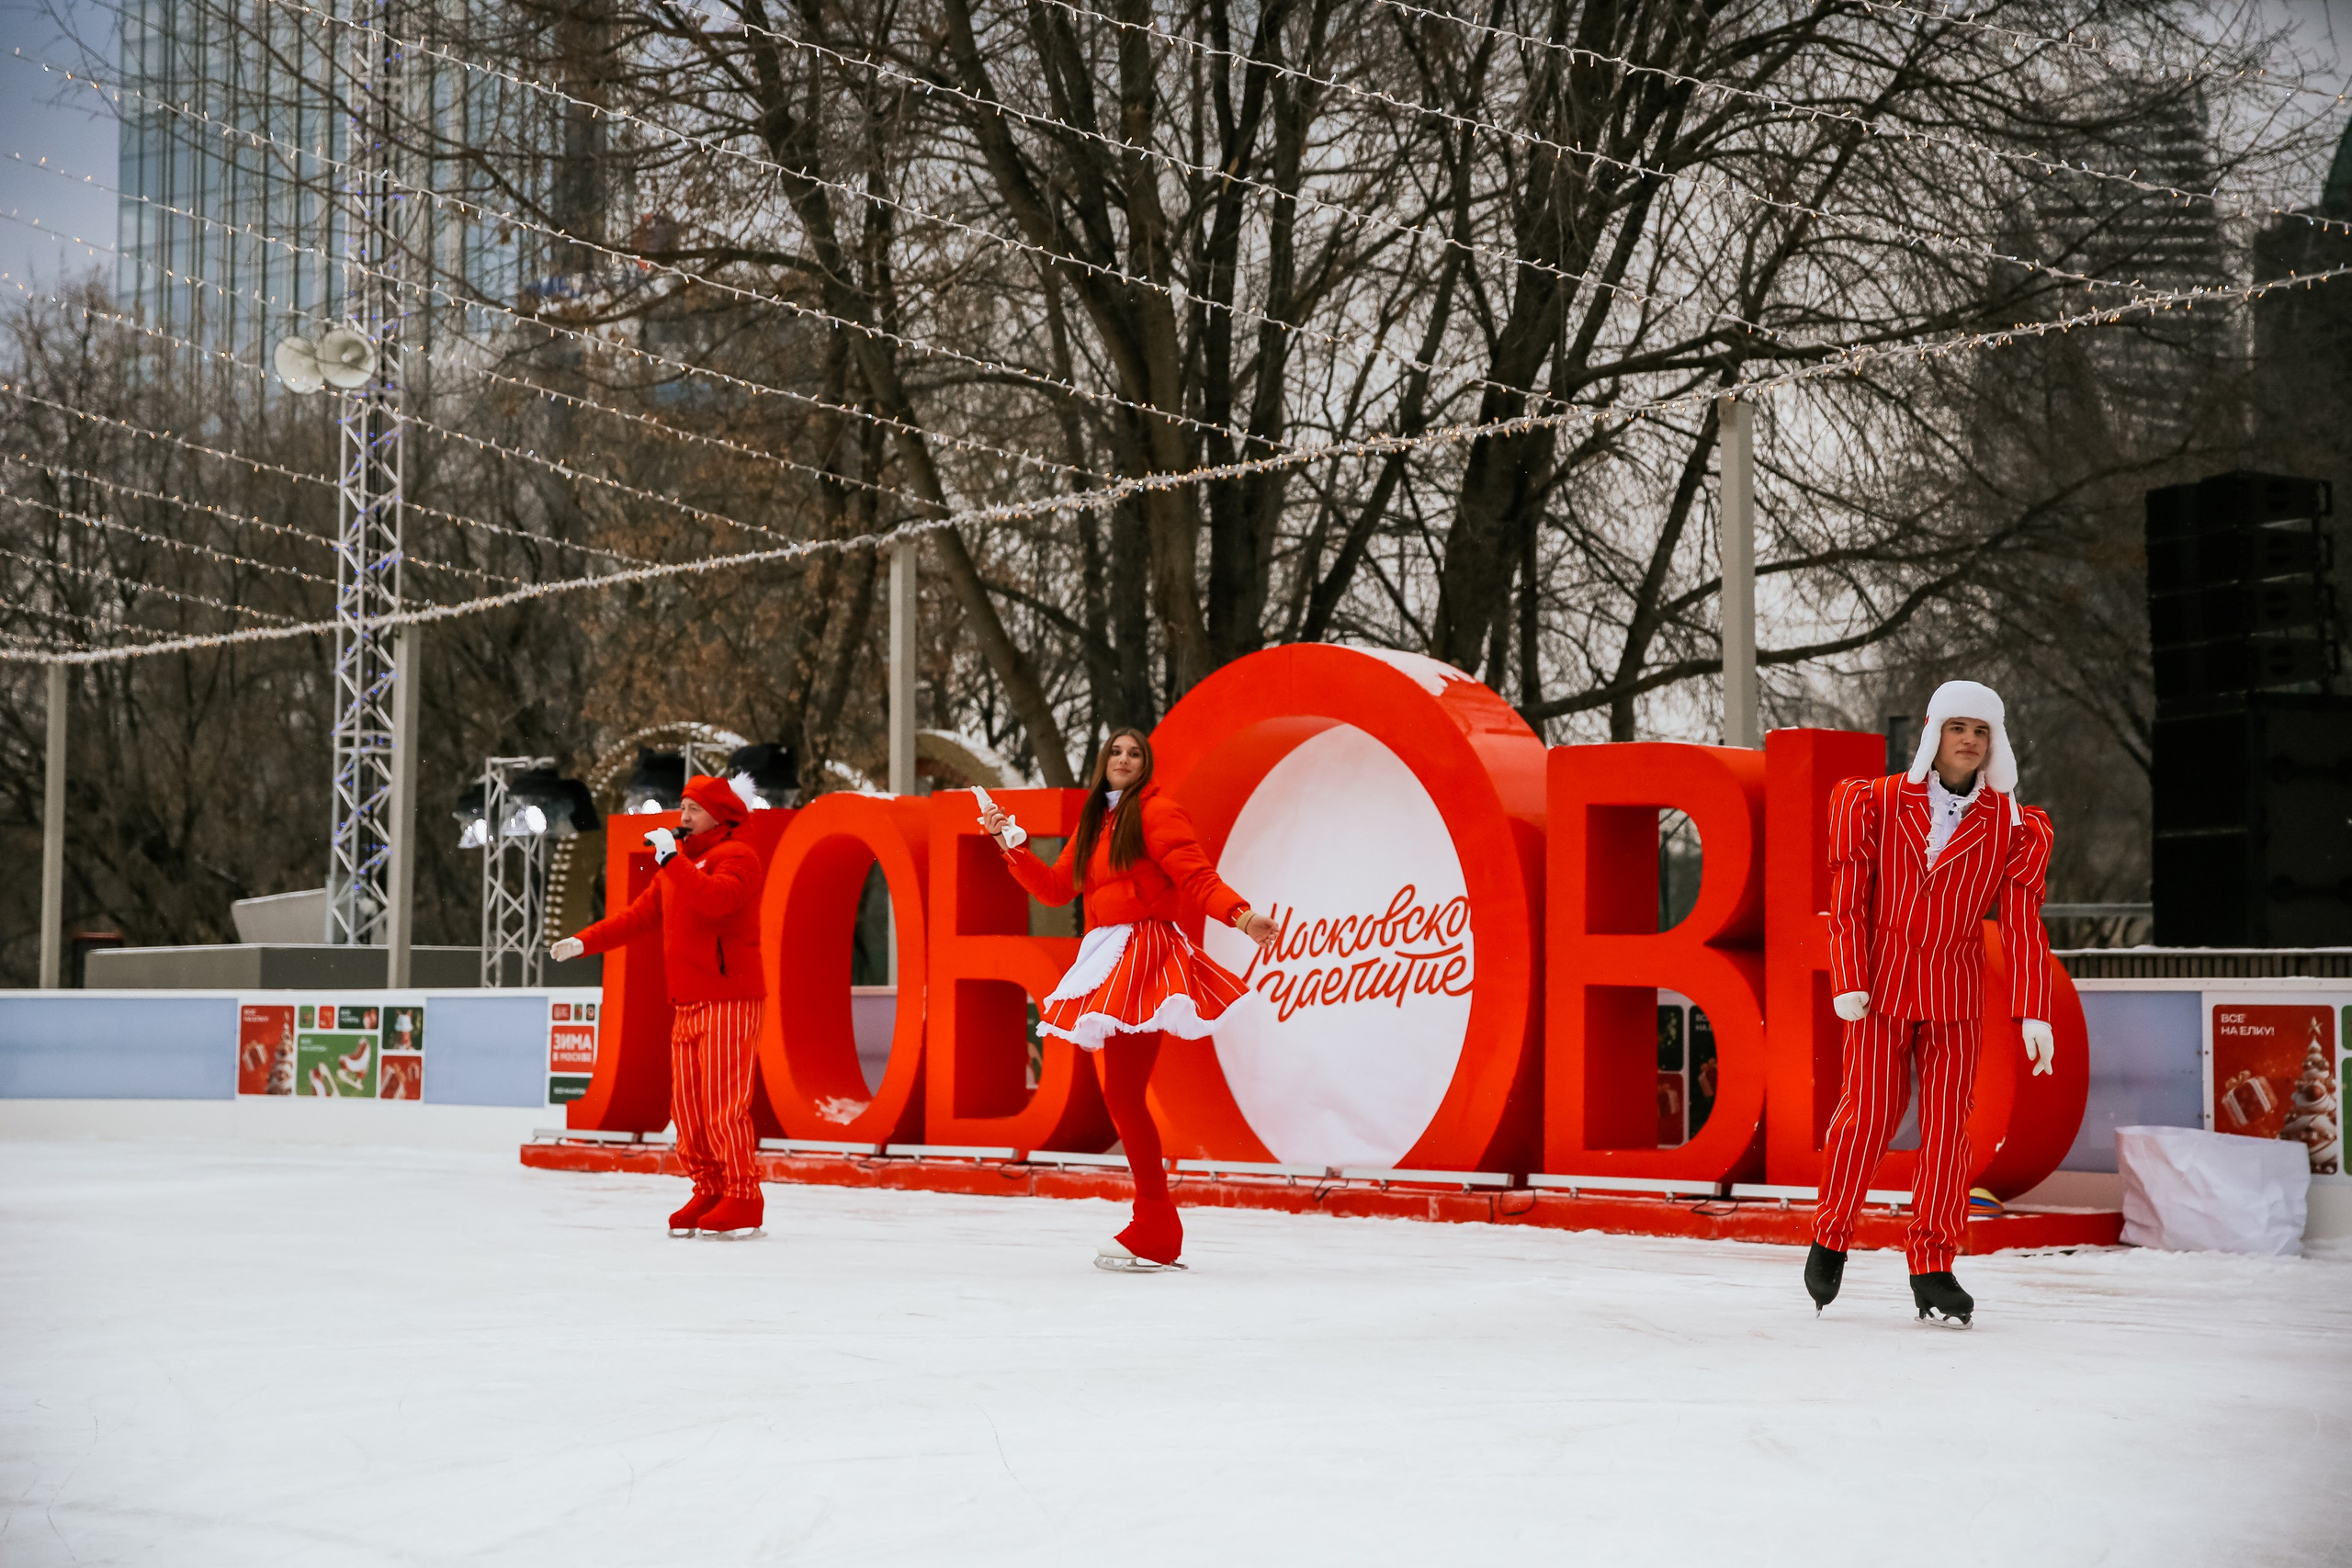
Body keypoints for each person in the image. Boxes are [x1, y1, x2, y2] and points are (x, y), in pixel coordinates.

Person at [1805, 680, 2056, 1327]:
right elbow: (1849, 897)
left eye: (1981, 730)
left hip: (1955, 993)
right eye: (1957, 727)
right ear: (1934, 733)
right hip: (1879, 989)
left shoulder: (2013, 823)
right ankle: (1832, 1233)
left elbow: (2025, 922)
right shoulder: (1878, 801)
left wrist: (2034, 1006)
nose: (1969, 740)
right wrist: (1849, 976)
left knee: (1950, 1129)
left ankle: (1933, 1263)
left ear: (1993, 741)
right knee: (1868, 1115)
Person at [980, 729, 1279, 1272]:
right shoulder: (1096, 820)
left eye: (1133, 753)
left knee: (1122, 1094)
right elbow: (1054, 889)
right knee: (1120, 1094)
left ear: (1146, 765)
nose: (1123, 759)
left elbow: (1195, 875)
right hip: (1111, 953)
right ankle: (1156, 1221)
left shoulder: (1158, 813)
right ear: (1104, 762)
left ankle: (1156, 1222)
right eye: (1115, 752)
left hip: (1144, 954)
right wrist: (1010, 846)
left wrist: (1241, 916)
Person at [551, 773, 769, 1239]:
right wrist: (584, 941)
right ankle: (709, 1186)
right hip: (688, 1000)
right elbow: (637, 917)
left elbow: (717, 901)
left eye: (692, 808)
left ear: (720, 814)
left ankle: (743, 1194)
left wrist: (671, 859)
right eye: (682, 806)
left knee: (723, 1106)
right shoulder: (682, 865)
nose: (682, 816)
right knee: (688, 1107)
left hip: (730, 997)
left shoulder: (739, 857)